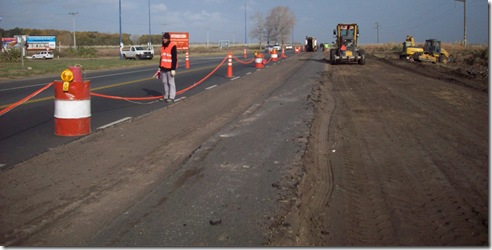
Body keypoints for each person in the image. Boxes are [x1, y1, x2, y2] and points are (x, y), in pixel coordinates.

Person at [159, 32, 177, 103]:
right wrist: (159, 67)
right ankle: (166, 96)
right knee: (164, 82)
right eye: (163, 38)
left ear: (168, 39)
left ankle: (172, 97)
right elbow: (161, 58)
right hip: (163, 68)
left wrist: (173, 69)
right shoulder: (162, 47)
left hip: (170, 69)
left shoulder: (172, 46)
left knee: (171, 83)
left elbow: (174, 58)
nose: (164, 40)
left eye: (165, 38)